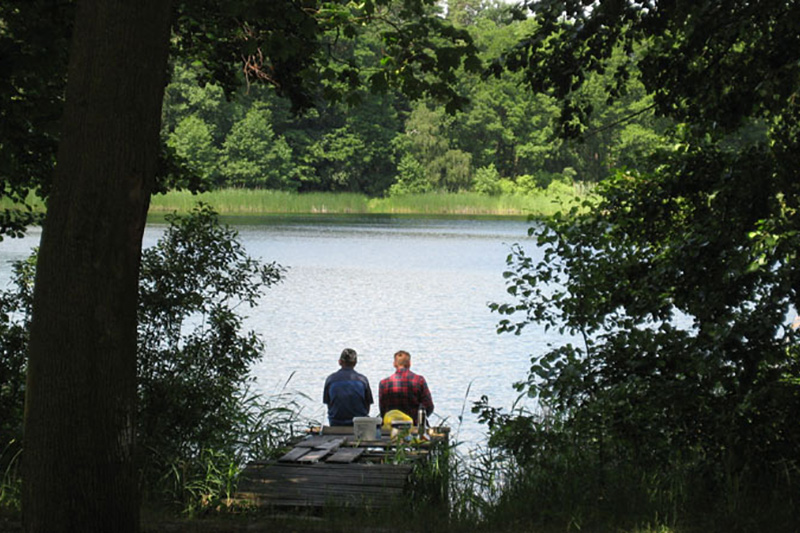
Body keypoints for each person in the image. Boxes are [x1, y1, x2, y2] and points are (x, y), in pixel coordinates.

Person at [379, 350, 434, 423]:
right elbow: (429, 406)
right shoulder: (419, 380)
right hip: (414, 425)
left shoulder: (384, 383)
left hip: (391, 425)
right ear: (409, 363)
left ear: (394, 364)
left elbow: (383, 409)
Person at [323, 348, 374, 426]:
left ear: (340, 362)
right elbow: (367, 405)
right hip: (359, 423)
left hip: (336, 423)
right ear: (355, 363)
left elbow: (329, 404)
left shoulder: (330, 379)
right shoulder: (363, 380)